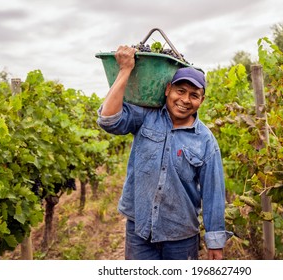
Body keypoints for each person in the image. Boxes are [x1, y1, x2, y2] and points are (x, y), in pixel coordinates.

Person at [97, 45, 232, 260]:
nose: (186, 100)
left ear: (202, 100)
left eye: (194, 95)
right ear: (168, 89)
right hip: (140, 229)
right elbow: (108, 120)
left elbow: (213, 192)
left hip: (181, 236)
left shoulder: (205, 140)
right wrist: (125, 71)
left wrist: (215, 242)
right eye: (181, 91)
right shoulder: (146, 117)